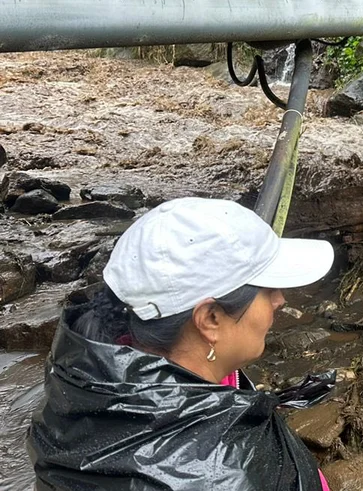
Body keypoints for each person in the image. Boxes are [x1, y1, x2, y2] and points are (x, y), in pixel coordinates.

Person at [28, 197, 337, 490]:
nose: (280, 299)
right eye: (266, 289)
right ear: (210, 319)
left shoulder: (81, 383)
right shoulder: (232, 472)